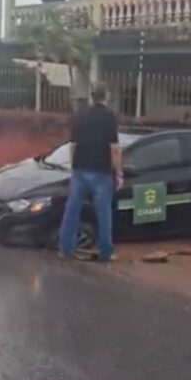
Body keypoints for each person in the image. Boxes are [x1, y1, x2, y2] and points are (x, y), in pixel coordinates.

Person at [59, 83, 123, 262]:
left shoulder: (80, 115)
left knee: (71, 210)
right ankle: (105, 252)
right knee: (103, 214)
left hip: (80, 170)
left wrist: (73, 168)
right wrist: (118, 173)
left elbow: (73, 145)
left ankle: (65, 248)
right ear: (106, 97)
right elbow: (115, 148)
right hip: (101, 172)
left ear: (92, 96)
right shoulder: (109, 117)